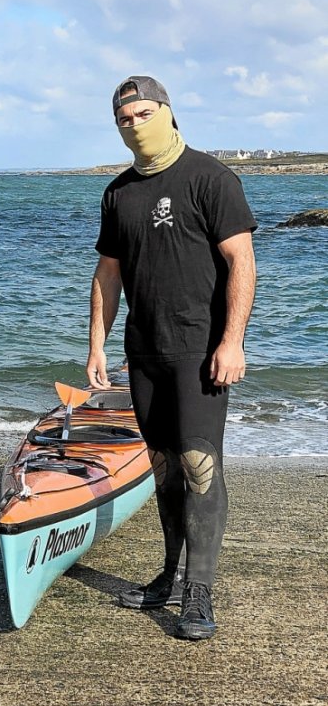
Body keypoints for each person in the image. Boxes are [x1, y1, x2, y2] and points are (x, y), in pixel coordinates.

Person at [86, 75, 257, 641]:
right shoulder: (118, 192)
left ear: (166, 111)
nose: (133, 124)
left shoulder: (211, 177)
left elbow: (241, 263)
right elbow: (108, 273)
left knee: (199, 465)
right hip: (144, 350)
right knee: (162, 467)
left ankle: (199, 592)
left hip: (200, 351)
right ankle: (168, 574)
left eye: (141, 113)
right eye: (123, 119)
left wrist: (232, 341)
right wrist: (96, 344)